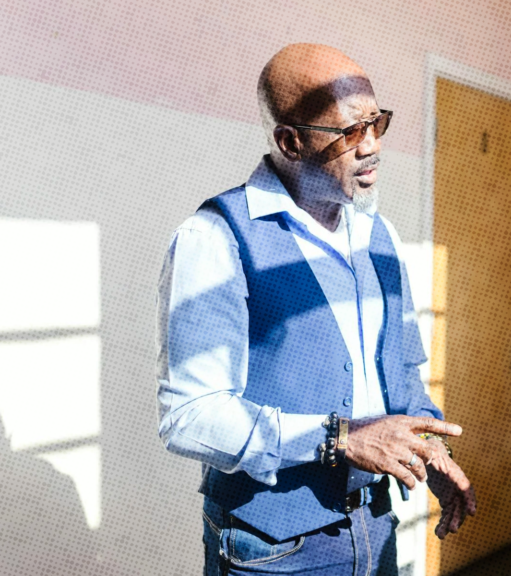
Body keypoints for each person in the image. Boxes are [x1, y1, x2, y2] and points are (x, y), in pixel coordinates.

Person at [157, 44, 476, 575]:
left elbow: (400, 373)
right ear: (291, 141)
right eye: (351, 132)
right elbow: (189, 417)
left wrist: (426, 448)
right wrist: (338, 439)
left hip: (374, 531)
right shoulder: (216, 237)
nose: (372, 146)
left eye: (378, 123)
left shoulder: (379, 235)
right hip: (273, 551)